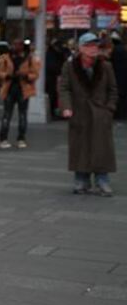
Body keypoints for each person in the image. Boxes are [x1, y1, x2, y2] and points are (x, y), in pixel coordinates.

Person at [58, 32, 118, 196]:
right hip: (79, 113)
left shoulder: (106, 66)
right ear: (81, 48)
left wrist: (109, 109)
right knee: (80, 147)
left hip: (100, 114)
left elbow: (113, 90)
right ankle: (81, 180)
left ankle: (102, 181)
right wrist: (66, 107)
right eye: (89, 45)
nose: (93, 49)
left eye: (95, 45)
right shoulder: (69, 66)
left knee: (101, 148)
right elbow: (64, 88)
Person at [0, 38, 40, 150]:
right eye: (14, 45)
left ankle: (21, 138)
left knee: (22, 115)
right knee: (7, 114)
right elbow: (0, 72)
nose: (16, 47)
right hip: (9, 89)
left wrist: (25, 76)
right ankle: (3, 138)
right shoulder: (6, 58)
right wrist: (7, 75)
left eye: (19, 45)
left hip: (23, 89)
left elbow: (35, 74)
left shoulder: (29, 59)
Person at [45, 38, 68, 120]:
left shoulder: (54, 53)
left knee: (54, 95)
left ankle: (54, 111)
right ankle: (53, 112)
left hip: (53, 78)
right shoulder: (52, 54)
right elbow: (52, 66)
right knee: (53, 95)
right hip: (51, 78)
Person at [110, 31, 127, 119]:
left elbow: (112, 63)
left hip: (117, 75)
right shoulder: (123, 49)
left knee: (119, 95)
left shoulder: (115, 50)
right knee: (123, 95)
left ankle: (119, 114)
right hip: (123, 75)